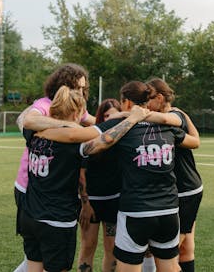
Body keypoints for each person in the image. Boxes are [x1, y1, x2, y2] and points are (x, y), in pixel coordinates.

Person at [38, 81, 200, 272]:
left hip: (136, 211)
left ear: (127, 103)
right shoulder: (168, 124)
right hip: (169, 211)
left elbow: (79, 137)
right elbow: (195, 141)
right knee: (170, 267)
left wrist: (41, 132)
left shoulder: (119, 125)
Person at [20, 86, 150, 272]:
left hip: (30, 216)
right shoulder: (75, 145)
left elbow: (27, 120)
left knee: (34, 267)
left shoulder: (32, 132)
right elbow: (105, 139)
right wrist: (133, 118)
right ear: (78, 112)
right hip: (56, 220)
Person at [13, 63, 95, 272]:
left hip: (43, 186)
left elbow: (95, 122)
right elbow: (29, 120)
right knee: (41, 245)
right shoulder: (44, 104)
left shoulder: (77, 106)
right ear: (62, 85)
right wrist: (68, 127)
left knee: (36, 251)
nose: (80, 92)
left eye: (83, 88)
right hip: (28, 185)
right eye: (76, 87)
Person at [146, 78, 203, 272]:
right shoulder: (176, 115)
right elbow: (196, 141)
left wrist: (138, 115)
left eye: (148, 99)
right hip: (178, 190)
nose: (146, 104)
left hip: (186, 190)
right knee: (186, 248)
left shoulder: (173, 116)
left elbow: (194, 141)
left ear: (159, 98)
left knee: (168, 252)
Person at [78, 98, 122, 272]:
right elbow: (80, 174)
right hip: (91, 201)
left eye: (114, 116)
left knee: (112, 247)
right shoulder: (91, 138)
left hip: (114, 200)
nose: (110, 120)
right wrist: (85, 204)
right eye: (106, 116)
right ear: (101, 118)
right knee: (88, 245)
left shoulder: (124, 138)